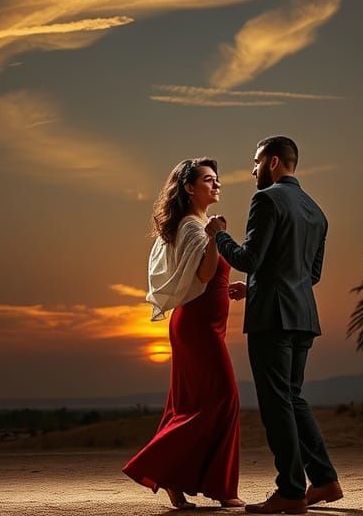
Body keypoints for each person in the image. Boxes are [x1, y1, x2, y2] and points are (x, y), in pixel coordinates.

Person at [206, 137, 342, 515]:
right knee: (293, 398)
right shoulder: (317, 211)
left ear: (274, 161)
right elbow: (309, 274)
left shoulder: (266, 200)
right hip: (302, 316)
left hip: (272, 319)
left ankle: (291, 491)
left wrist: (219, 235)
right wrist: (253, 289)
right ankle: (325, 481)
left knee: (276, 402)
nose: (252, 170)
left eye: (255, 162)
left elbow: (249, 258)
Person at [123, 157, 245, 509]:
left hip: (205, 324)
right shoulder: (195, 227)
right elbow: (205, 275)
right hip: (197, 326)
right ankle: (217, 488)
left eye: (217, 179)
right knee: (225, 398)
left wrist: (232, 286)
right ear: (190, 187)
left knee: (189, 403)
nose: (217, 184)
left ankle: (173, 481)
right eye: (209, 179)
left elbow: (206, 278)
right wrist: (216, 236)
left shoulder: (199, 224)